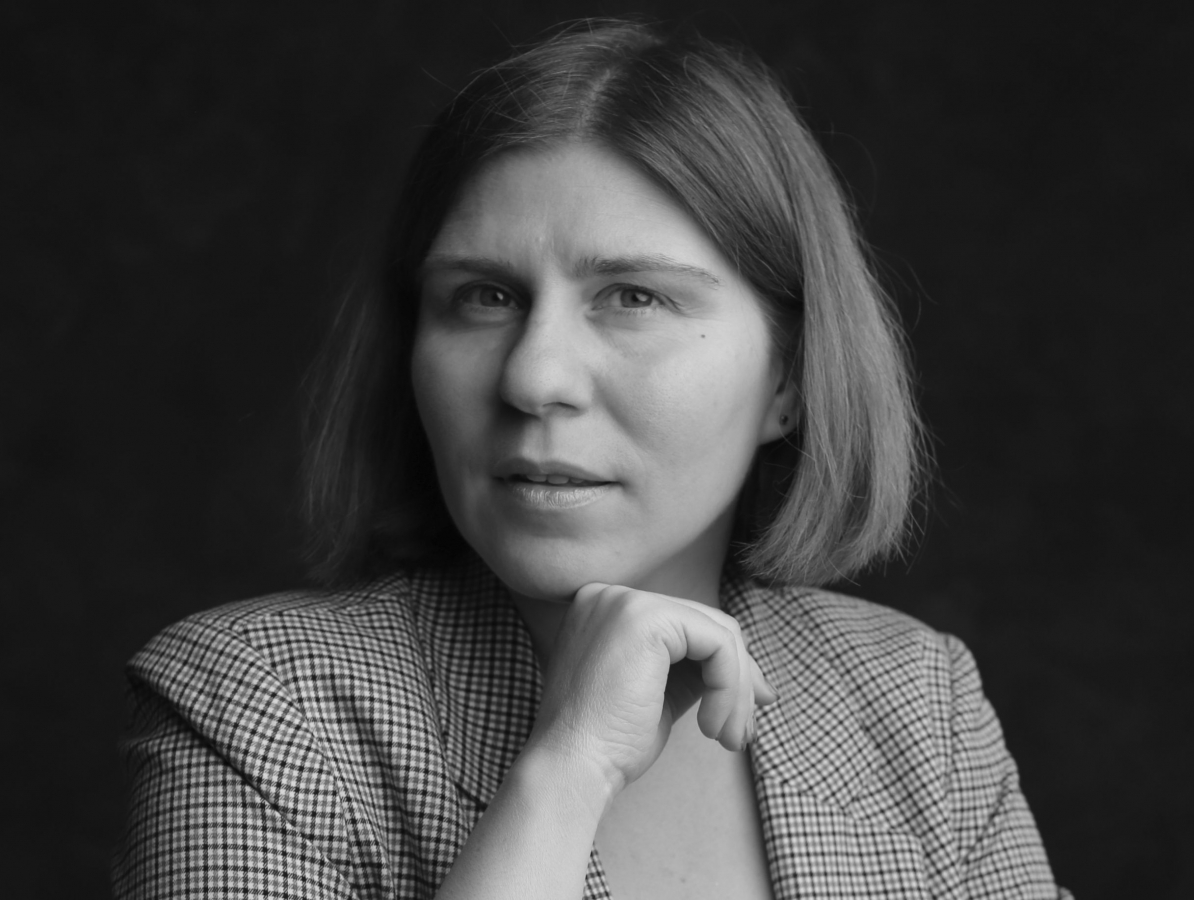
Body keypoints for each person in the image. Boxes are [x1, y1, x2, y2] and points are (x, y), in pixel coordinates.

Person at [113, 19, 1070, 900]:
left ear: (790, 377)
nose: (533, 377)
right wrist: (567, 770)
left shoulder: (917, 699)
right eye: (484, 297)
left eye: (634, 298)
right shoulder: (260, 703)